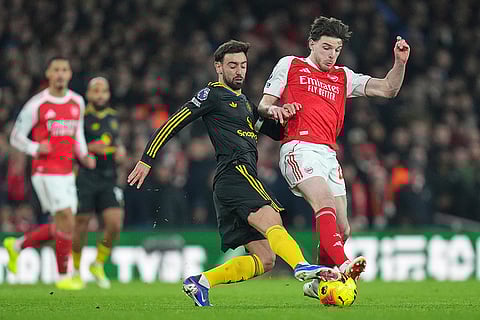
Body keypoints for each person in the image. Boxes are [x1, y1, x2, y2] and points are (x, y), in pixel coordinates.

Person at [127, 40, 341, 307]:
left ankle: (201, 282)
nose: (239, 71)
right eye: (232, 65)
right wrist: (147, 159)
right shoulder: (213, 94)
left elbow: (275, 132)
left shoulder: (245, 103)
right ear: (218, 67)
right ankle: (301, 266)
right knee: (271, 217)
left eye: (243, 65)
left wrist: (284, 113)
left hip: (230, 184)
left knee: (264, 259)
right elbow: (175, 121)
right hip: (235, 171)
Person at [258, 16, 410, 299]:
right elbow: (264, 105)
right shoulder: (291, 64)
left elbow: (388, 89)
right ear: (311, 44)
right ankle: (342, 264)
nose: (332, 55)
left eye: (337, 49)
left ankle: (318, 284)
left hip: (329, 154)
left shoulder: (343, 76)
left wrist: (399, 63)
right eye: (326, 47)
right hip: (298, 147)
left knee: (342, 228)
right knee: (323, 203)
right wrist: (276, 110)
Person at [4, 57, 95, 290]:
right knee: (65, 217)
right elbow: (15, 136)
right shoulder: (37, 104)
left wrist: (83, 155)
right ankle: (63, 276)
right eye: (56, 70)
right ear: (48, 74)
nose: (60, 74)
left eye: (64, 69)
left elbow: (79, 134)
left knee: (65, 224)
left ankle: (17, 246)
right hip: (44, 169)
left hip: (67, 170)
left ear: (70, 74)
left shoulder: (77, 101)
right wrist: (35, 148)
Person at [72, 77, 125, 289]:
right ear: (88, 94)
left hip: (108, 176)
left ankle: (98, 263)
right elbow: (72, 144)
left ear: (109, 94)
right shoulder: (80, 117)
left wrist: (120, 151)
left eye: (103, 91)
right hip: (85, 175)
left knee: (114, 224)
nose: (100, 94)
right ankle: (75, 270)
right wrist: (87, 150)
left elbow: (115, 142)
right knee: (82, 223)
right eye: (96, 91)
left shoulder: (113, 117)